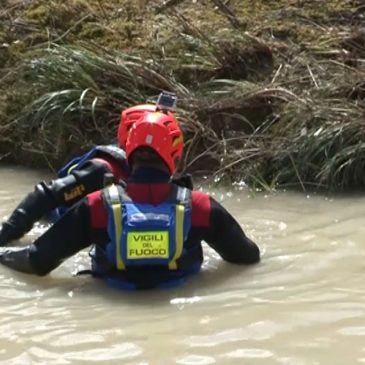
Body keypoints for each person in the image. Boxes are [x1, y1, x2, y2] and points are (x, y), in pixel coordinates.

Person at [0, 109, 260, 289]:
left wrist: (3, 254)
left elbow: (36, 261)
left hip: (111, 297)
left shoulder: (95, 206)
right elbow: (247, 257)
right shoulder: (202, 207)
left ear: (128, 152)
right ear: (175, 156)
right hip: (179, 301)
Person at [0, 95, 192, 247]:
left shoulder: (158, 172)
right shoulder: (101, 170)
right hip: (56, 229)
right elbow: (44, 196)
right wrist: (5, 236)